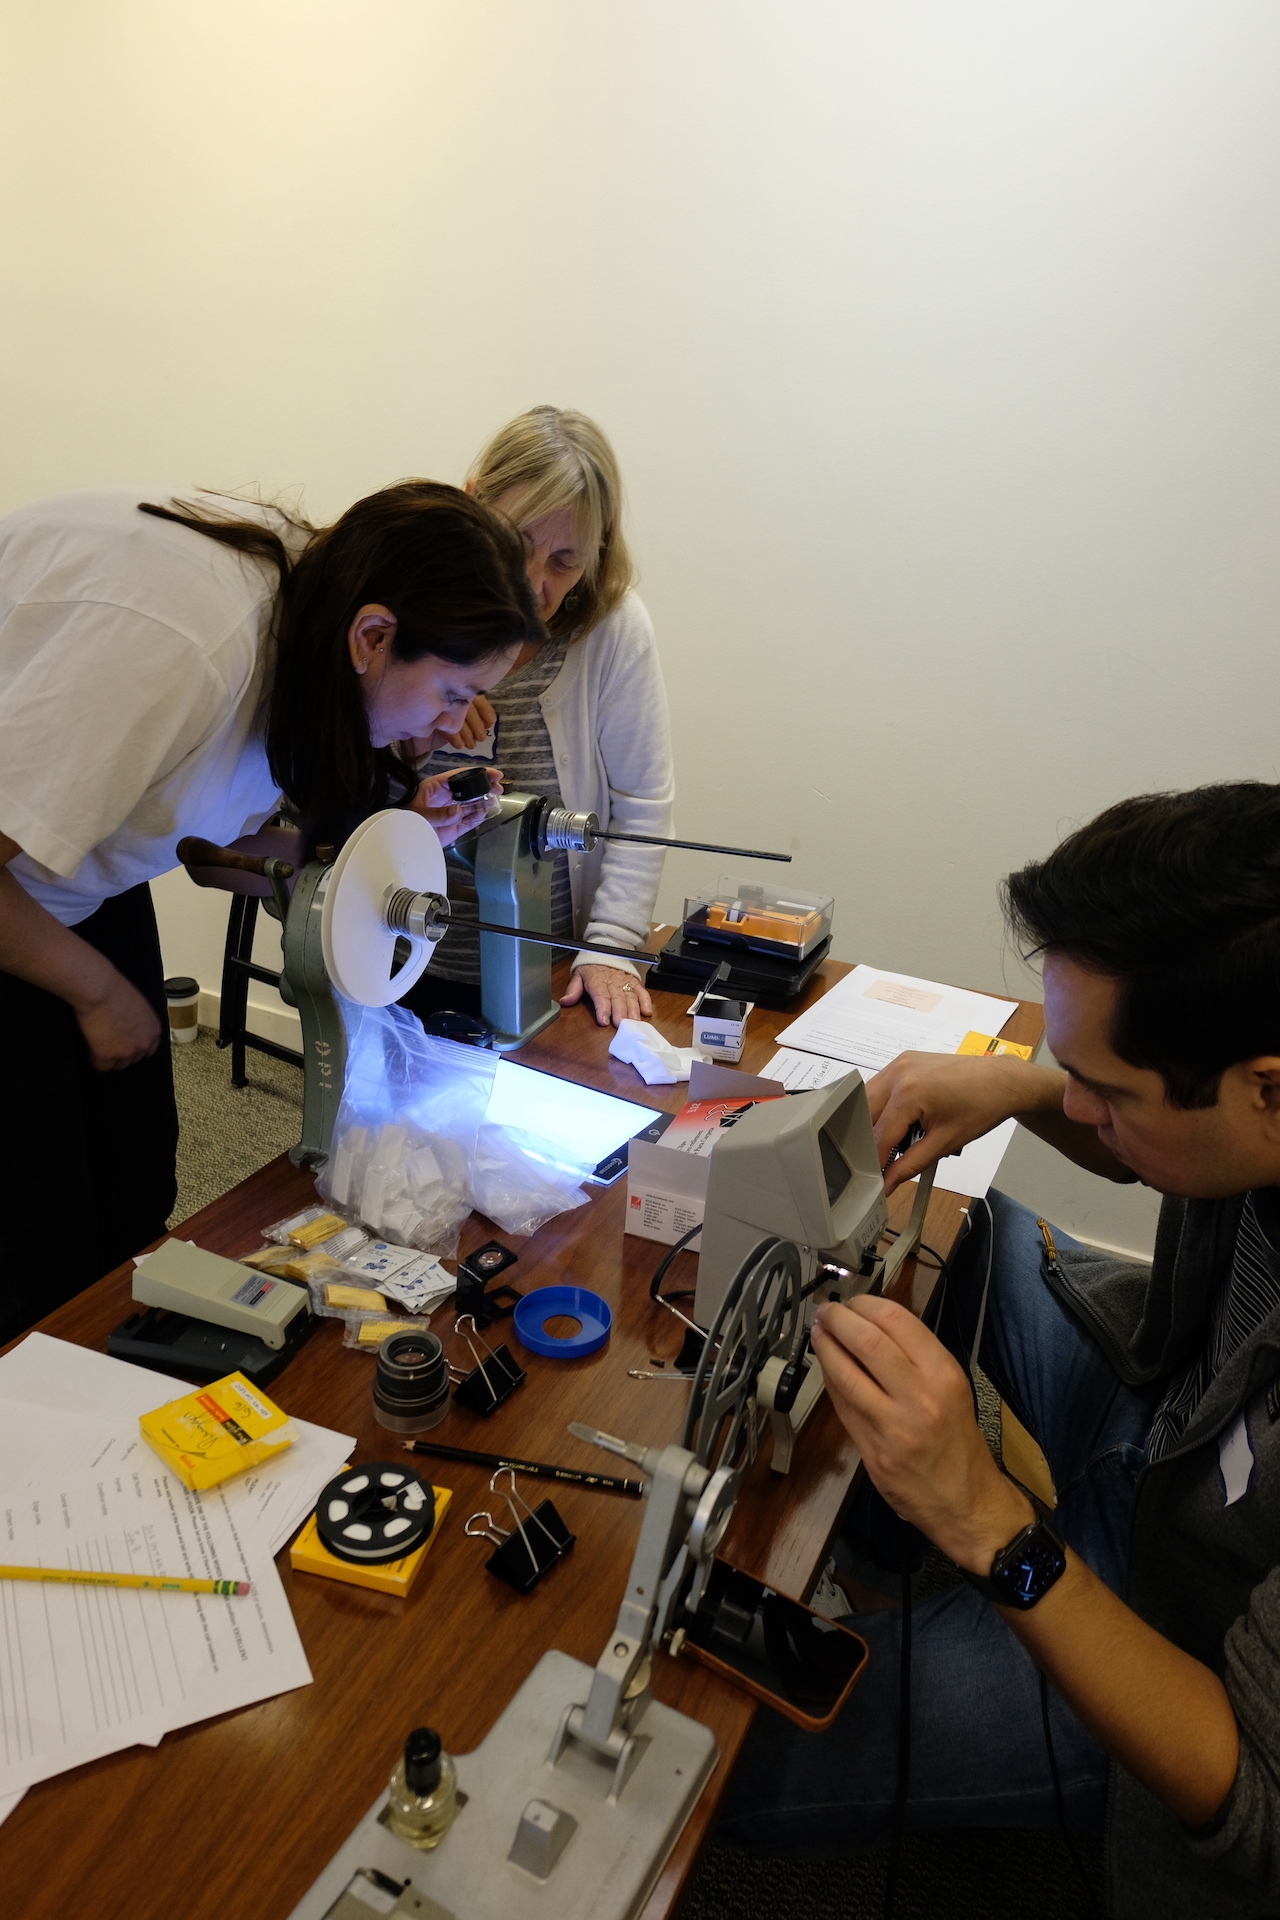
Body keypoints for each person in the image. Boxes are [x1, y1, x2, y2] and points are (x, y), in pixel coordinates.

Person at [720, 782, 1280, 1920]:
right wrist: (1017, 1086)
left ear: (1268, 1088)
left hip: (1192, 1655)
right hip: (1166, 1438)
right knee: (974, 1236)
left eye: (1100, 1090)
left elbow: (1255, 1804)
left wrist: (984, 1526)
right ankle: (882, 1583)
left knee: (727, 1752)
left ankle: (962, 1603)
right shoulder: (1249, 1060)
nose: (1078, 1105)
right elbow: (1165, 1141)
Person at [0, 481, 541, 1341]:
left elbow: (217, 860)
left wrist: (383, 841)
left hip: (66, 880)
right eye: (449, 693)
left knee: (135, 1178)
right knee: (38, 1237)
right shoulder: (184, 646)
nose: (447, 726)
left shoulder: (313, 635)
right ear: (374, 637)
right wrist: (97, 994)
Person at [401, 405, 674, 1031]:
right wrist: (431, 710)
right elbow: (353, 779)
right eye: (517, 542)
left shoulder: (614, 631)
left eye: (564, 561)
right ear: (473, 504)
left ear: (596, 557)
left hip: (546, 970)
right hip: (405, 951)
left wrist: (609, 945)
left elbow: (643, 804)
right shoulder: (412, 600)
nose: (532, 583)